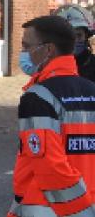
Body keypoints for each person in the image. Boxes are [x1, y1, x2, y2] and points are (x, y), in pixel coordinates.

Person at [9, 15, 95, 216]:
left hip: (49, 207)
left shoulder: (38, 97)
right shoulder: (91, 90)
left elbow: (50, 166)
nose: (24, 53)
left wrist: (81, 212)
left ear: (48, 50)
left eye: (27, 46)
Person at [57, 5, 95, 83]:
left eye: (79, 35)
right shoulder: (49, 66)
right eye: (68, 36)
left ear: (86, 37)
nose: (74, 40)